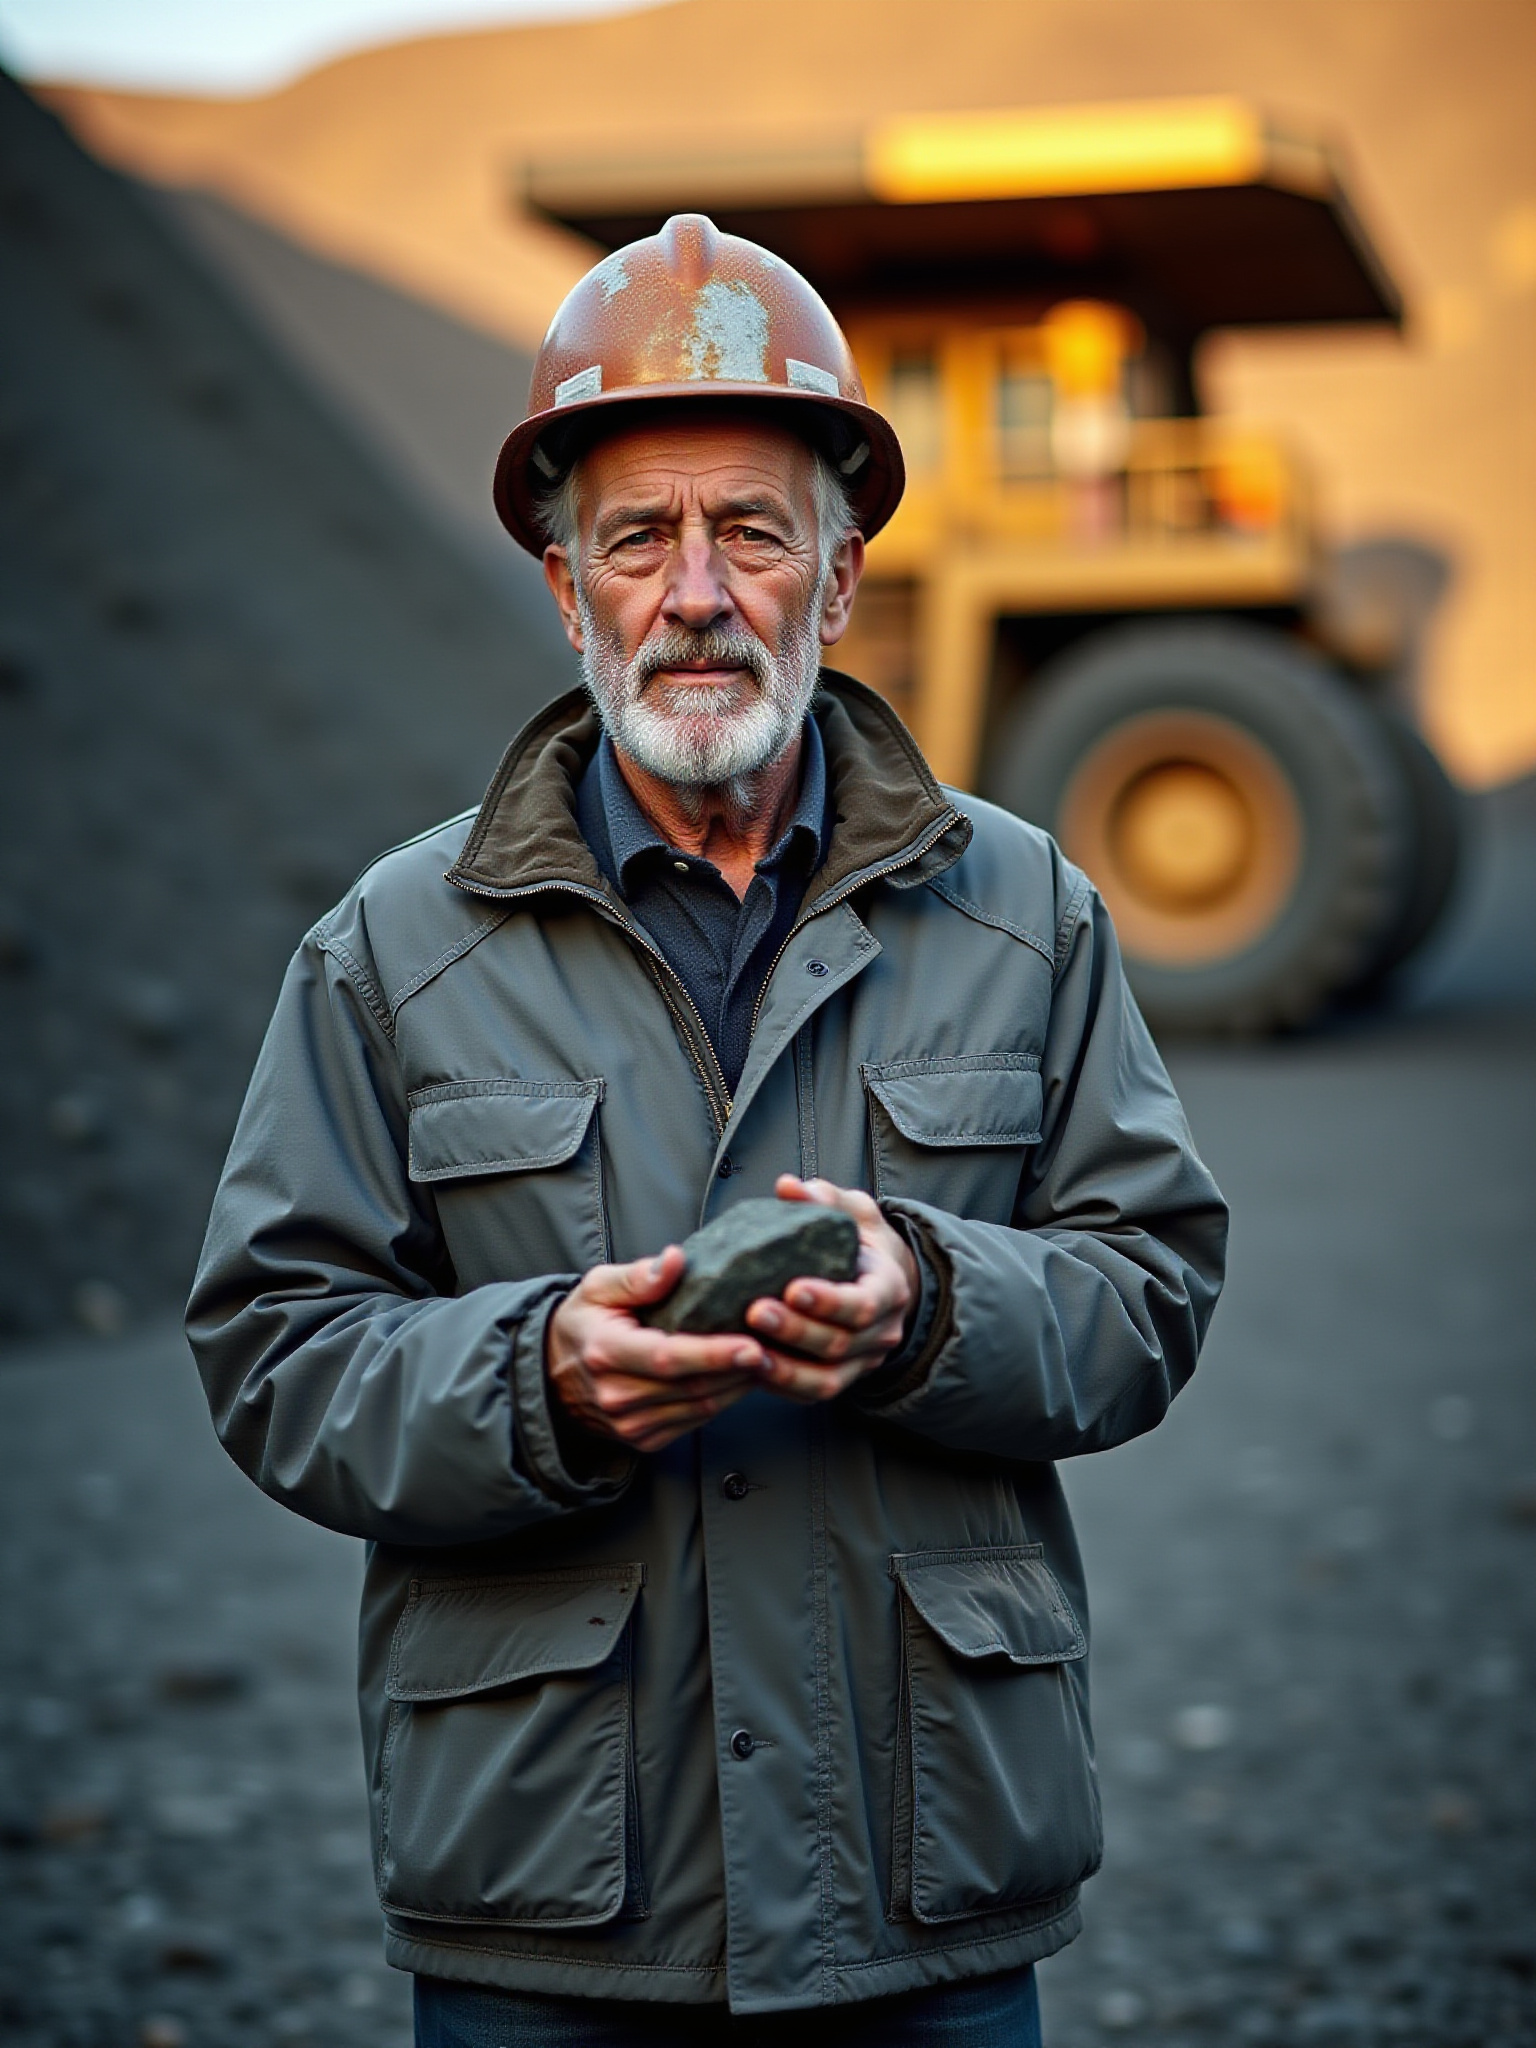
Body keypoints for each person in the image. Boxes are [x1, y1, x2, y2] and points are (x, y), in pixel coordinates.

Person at [188, 215, 1227, 2046]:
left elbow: (1149, 1289)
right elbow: (277, 1350)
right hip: (553, 1906)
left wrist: (928, 1304)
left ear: (837, 582)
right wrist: (541, 1381)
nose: (695, 592)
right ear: (566, 588)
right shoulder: (392, 949)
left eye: (751, 532)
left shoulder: (1028, 911)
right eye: (638, 539)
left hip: (928, 1892)